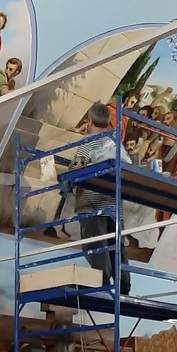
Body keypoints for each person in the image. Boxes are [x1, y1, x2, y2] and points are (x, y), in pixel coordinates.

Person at [71, 103, 131, 295]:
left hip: (92, 205)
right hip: (114, 207)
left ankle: (101, 284)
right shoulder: (116, 145)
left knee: (96, 247)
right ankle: (124, 287)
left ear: (89, 121)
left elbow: (77, 169)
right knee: (117, 249)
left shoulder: (88, 142)